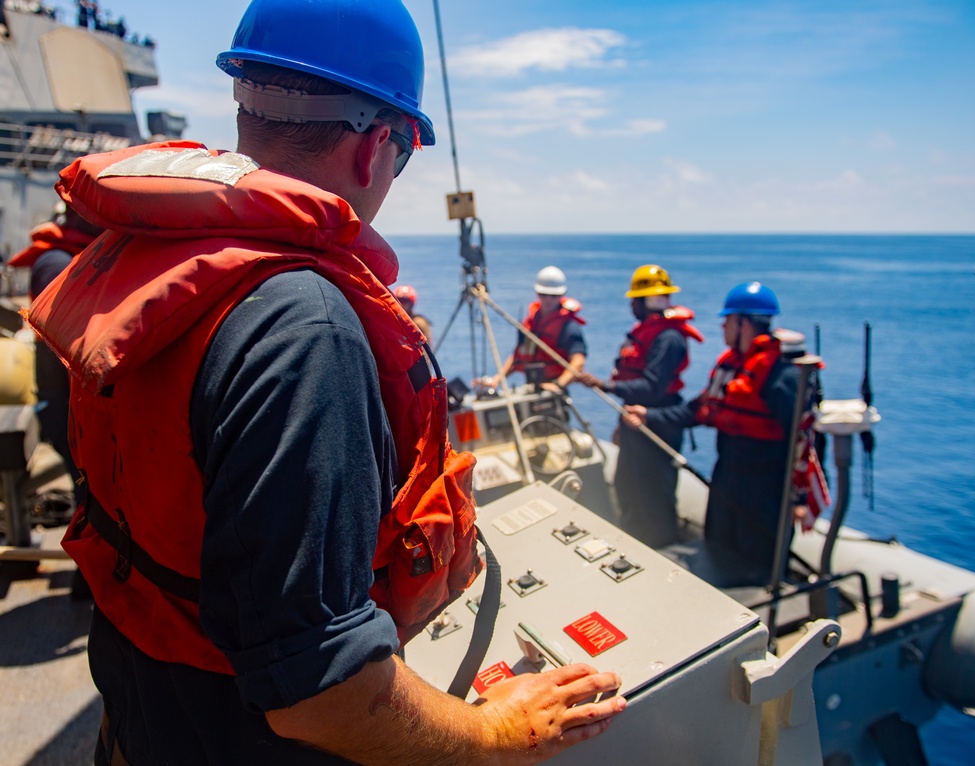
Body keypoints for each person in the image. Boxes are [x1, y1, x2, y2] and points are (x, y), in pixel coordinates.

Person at [26, 2, 625, 764]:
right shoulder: (306, 329)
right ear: (378, 148)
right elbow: (322, 694)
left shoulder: (157, 258)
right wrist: (494, 734)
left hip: (148, 715)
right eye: (403, 156)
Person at [623, 281, 807, 585]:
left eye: (727, 321)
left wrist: (798, 498)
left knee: (758, 555)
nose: (722, 327)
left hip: (764, 486)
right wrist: (649, 416)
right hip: (727, 477)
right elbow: (698, 410)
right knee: (719, 546)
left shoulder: (781, 375)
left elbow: (803, 435)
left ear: (742, 323)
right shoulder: (733, 367)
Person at [578, 265, 703, 549]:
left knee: (653, 491)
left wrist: (605, 385)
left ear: (649, 301)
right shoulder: (647, 332)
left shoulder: (668, 339)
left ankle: (660, 546)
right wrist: (622, 423)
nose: (631, 305)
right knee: (628, 486)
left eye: (636, 299)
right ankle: (632, 542)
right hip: (634, 420)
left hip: (656, 422)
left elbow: (652, 387)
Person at [8, 203, 102, 511]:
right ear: (74, 215)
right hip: (66, 405)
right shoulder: (56, 261)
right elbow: (70, 341)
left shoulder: (80, 255)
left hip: (75, 401)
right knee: (91, 498)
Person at [483, 265, 587, 393]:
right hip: (532, 387)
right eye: (544, 294)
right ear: (537, 293)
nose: (549, 299)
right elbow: (517, 356)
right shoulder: (531, 322)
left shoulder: (569, 326)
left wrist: (558, 385)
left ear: (562, 295)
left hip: (553, 390)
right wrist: (497, 379)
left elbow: (578, 362)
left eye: (554, 295)